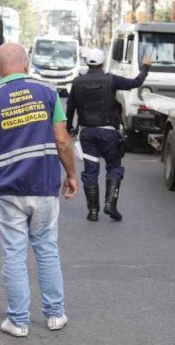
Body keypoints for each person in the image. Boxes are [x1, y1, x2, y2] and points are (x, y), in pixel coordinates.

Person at [0, 43, 78, 338]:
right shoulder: (48, 93)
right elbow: (61, 141)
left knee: (14, 254)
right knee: (46, 249)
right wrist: (71, 174)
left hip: (7, 190)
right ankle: (55, 315)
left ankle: (18, 322)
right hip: (44, 186)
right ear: (27, 64)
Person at [65, 48, 151, 222]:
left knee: (90, 171)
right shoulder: (111, 79)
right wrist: (145, 68)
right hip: (109, 134)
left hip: (87, 133)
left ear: (87, 62)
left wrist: (70, 128)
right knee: (113, 167)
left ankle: (93, 212)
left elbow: (70, 107)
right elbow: (135, 82)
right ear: (102, 63)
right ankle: (110, 204)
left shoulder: (77, 82)